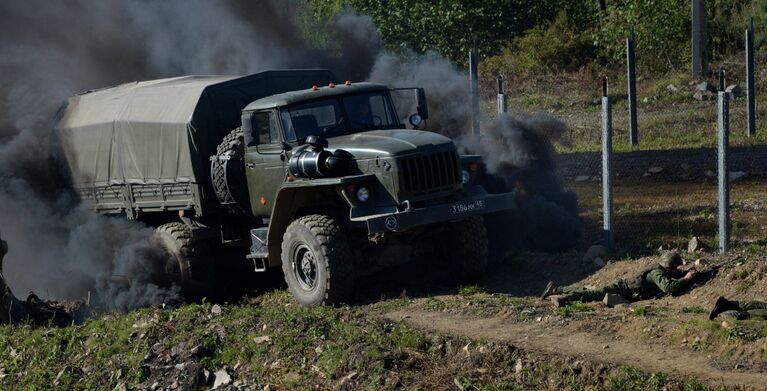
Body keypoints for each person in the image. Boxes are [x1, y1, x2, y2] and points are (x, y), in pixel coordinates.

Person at [541, 252, 699, 307]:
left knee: (590, 292)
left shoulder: (662, 270)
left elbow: (674, 276)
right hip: (621, 289)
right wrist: (686, 279)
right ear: (668, 267)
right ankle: (563, 297)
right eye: (675, 268)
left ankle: (558, 289)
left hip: (627, 292)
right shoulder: (656, 274)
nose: (677, 270)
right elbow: (668, 288)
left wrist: (687, 273)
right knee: (593, 294)